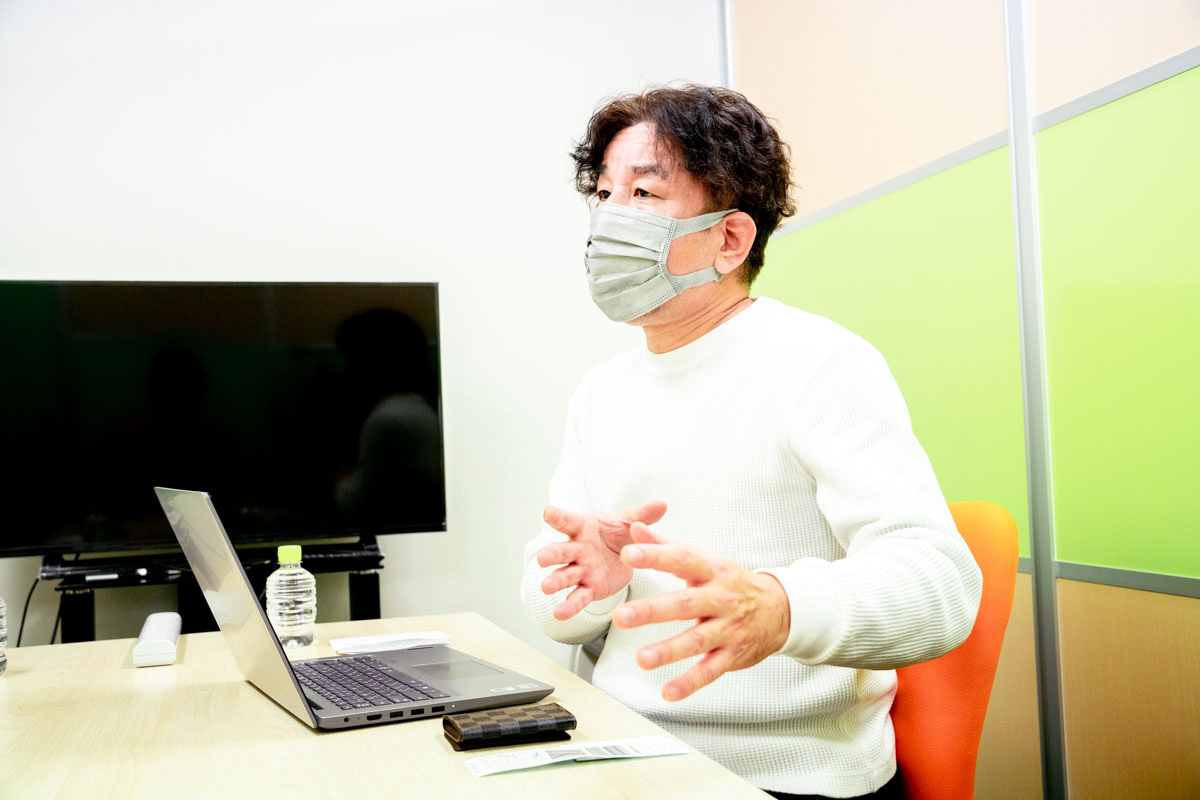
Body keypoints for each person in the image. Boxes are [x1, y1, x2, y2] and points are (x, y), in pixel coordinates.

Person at [520, 85, 982, 800]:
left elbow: (941, 586)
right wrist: (589, 590)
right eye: (605, 194)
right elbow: (549, 607)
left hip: (789, 778)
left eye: (643, 193)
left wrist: (780, 608)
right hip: (625, 759)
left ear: (730, 239)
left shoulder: (821, 365)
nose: (611, 218)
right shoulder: (600, 392)